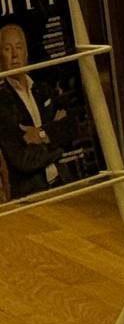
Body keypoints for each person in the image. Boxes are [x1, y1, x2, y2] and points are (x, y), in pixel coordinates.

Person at [0, 22, 67, 200]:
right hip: (31, 195)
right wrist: (54, 138)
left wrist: (42, 134)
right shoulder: (2, 104)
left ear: (26, 52)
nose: (14, 55)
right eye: (7, 49)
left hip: (62, 182)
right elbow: (23, 160)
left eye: (19, 47)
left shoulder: (43, 90)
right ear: (0, 57)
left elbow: (69, 129)